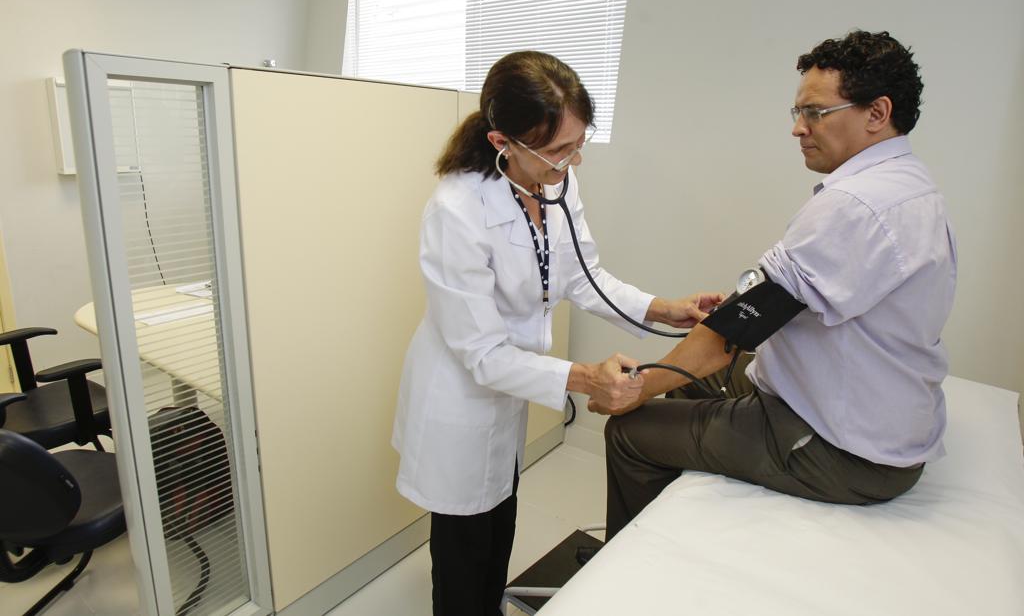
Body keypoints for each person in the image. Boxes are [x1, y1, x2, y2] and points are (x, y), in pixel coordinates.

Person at [391, 50, 722, 615]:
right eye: (559, 149)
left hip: (509, 388)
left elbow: (582, 276)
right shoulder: (456, 211)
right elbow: (482, 353)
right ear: (502, 143)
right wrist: (587, 378)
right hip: (460, 395)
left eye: (577, 143)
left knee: (500, 524)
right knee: (463, 551)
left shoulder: (553, 181)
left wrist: (662, 309)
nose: (573, 160)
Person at [592, 30, 958, 540]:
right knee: (690, 381)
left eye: (816, 113)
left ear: (877, 113)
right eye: (798, 112)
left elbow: (732, 333)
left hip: (846, 450)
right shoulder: (911, 185)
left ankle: (631, 572)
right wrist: (733, 315)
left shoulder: (854, 205)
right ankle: (681, 523)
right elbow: (766, 307)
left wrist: (630, 392)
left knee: (630, 432)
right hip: (871, 413)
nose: (798, 128)